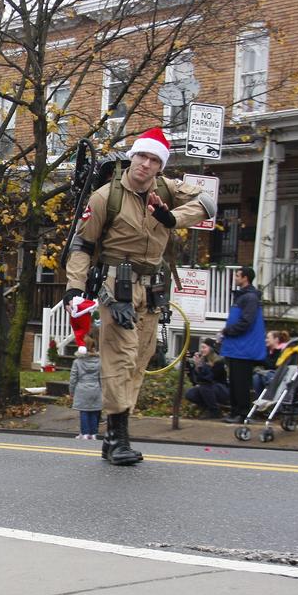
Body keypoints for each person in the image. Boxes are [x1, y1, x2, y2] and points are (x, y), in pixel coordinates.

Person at [62, 127, 216, 465]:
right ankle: (117, 439)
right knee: (120, 359)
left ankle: (115, 436)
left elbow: (208, 203)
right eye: (141, 156)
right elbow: (82, 245)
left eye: (153, 159)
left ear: (160, 165)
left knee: (139, 362)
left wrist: (171, 217)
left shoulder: (167, 190)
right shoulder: (105, 197)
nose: (145, 164)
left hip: (154, 288)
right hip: (117, 286)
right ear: (132, 157)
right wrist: (75, 287)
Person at [219, 266, 267, 424]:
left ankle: (242, 413)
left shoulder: (250, 297)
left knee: (240, 383)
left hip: (243, 348)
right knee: (234, 382)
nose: (235, 278)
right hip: (237, 348)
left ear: (245, 278)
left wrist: (227, 331)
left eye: (237, 276)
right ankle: (235, 412)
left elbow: (246, 321)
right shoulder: (244, 296)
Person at [184, 338, 228, 419]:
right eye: (201, 348)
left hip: (221, 389)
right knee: (190, 394)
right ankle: (208, 408)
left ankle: (215, 411)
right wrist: (191, 366)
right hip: (207, 388)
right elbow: (195, 381)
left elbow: (209, 378)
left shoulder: (219, 362)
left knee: (204, 387)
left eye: (204, 347)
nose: (201, 350)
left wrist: (200, 367)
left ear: (211, 349)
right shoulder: (202, 361)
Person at [68, 333, 101, 440]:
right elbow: (102, 376)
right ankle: (94, 433)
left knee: (84, 411)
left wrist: (71, 391)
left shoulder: (77, 362)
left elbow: (73, 378)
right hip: (96, 387)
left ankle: (85, 433)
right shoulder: (99, 361)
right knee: (94, 411)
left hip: (82, 387)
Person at [253, 330, 289, 398]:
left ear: (276, 339)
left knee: (261, 377)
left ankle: (266, 400)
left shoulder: (282, 351)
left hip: (279, 376)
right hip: (268, 375)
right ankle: (260, 401)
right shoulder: (268, 350)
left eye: (268, 338)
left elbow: (273, 365)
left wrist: (262, 357)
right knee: (256, 377)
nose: (265, 340)